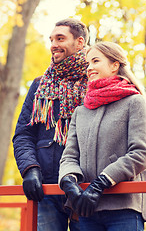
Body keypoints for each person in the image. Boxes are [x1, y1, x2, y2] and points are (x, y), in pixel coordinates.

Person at [58, 41, 146, 231]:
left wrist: (102, 182)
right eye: (88, 63)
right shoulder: (81, 111)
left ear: (114, 65)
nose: (89, 68)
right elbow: (69, 156)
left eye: (95, 61)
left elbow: (140, 153)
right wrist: (69, 181)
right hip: (86, 209)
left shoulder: (134, 102)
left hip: (124, 208)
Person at [13, 18, 89, 231]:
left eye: (60, 38)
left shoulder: (96, 81)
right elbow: (23, 134)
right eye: (51, 39)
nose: (53, 44)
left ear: (80, 42)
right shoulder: (39, 85)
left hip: (84, 187)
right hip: (46, 189)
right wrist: (30, 169)